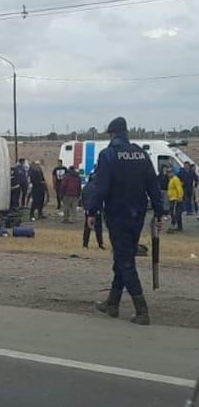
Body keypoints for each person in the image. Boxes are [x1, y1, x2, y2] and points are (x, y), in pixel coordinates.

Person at [84, 116, 163, 325]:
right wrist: (159, 211)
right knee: (123, 256)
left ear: (112, 134)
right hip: (137, 214)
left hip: (117, 214)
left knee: (125, 261)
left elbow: (101, 188)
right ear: (126, 133)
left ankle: (142, 310)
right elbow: (153, 185)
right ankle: (112, 303)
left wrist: (91, 212)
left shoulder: (108, 155)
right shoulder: (141, 153)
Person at [82, 172, 104, 250]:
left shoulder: (86, 187)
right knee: (98, 228)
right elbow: (100, 199)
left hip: (88, 210)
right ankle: (100, 244)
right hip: (97, 210)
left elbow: (83, 197)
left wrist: (85, 208)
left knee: (87, 228)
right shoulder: (99, 187)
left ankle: (85, 244)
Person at [167, 167, 184, 233]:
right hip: (172, 198)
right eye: (168, 172)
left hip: (175, 199)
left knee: (174, 213)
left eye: (170, 172)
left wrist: (180, 197)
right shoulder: (171, 179)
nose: (168, 173)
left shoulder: (175, 179)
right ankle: (177, 226)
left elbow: (179, 188)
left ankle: (175, 225)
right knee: (173, 213)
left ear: (173, 172)